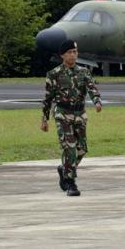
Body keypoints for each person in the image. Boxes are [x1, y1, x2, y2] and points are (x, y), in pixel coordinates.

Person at [41, 39, 102, 197]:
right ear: (62, 55)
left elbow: (92, 89)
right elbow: (48, 98)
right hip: (63, 114)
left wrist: (97, 102)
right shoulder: (54, 74)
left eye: (75, 52)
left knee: (81, 149)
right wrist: (44, 119)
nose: (73, 55)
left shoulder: (84, 72)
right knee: (70, 147)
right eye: (70, 52)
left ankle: (64, 169)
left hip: (79, 114)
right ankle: (70, 183)